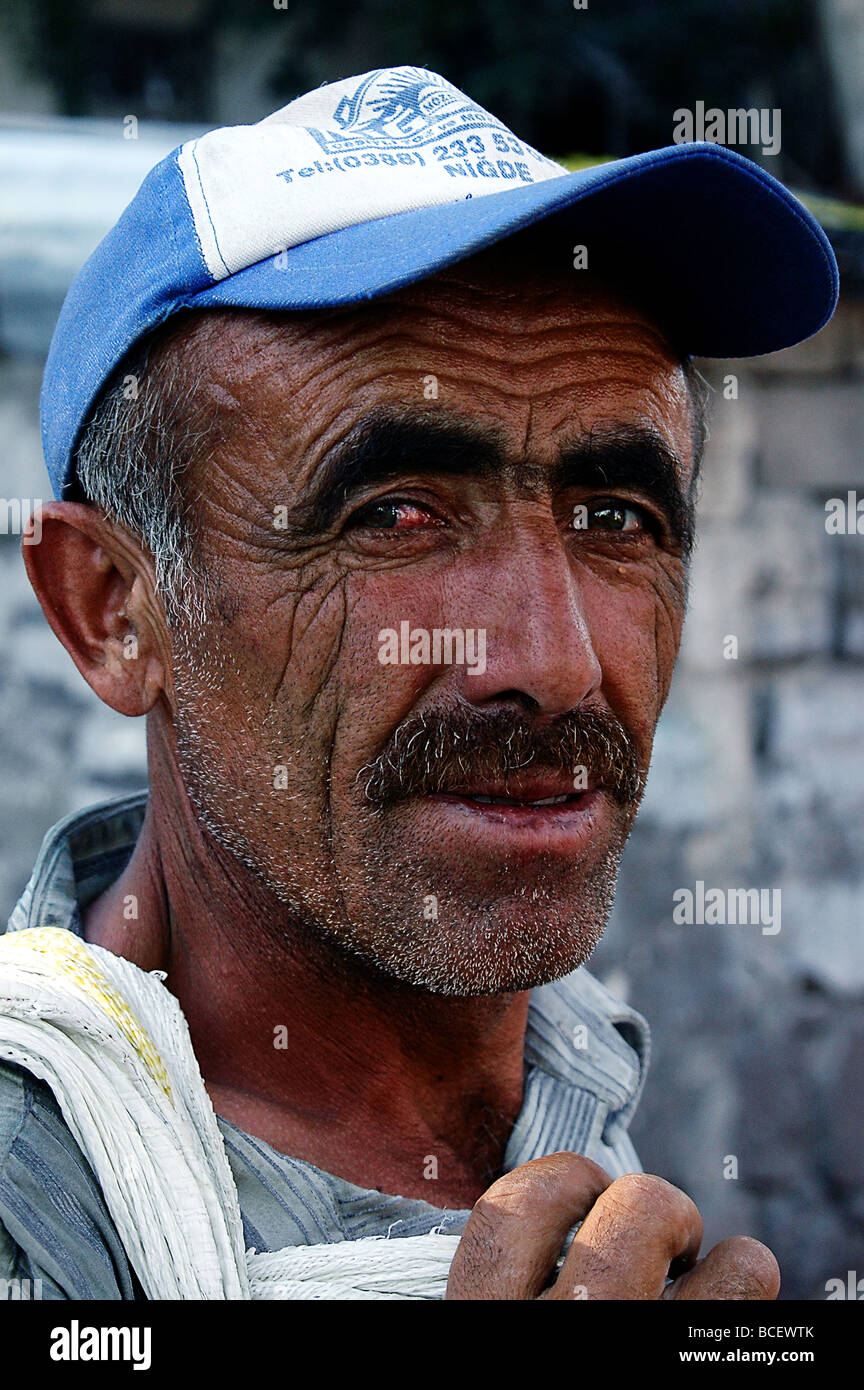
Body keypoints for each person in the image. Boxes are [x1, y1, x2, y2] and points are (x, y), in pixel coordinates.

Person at [0, 66, 837, 1301]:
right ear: (113, 611)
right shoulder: (39, 1205)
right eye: (393, 515)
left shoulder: (581, 1071)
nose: (554, 665)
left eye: (615, 513)